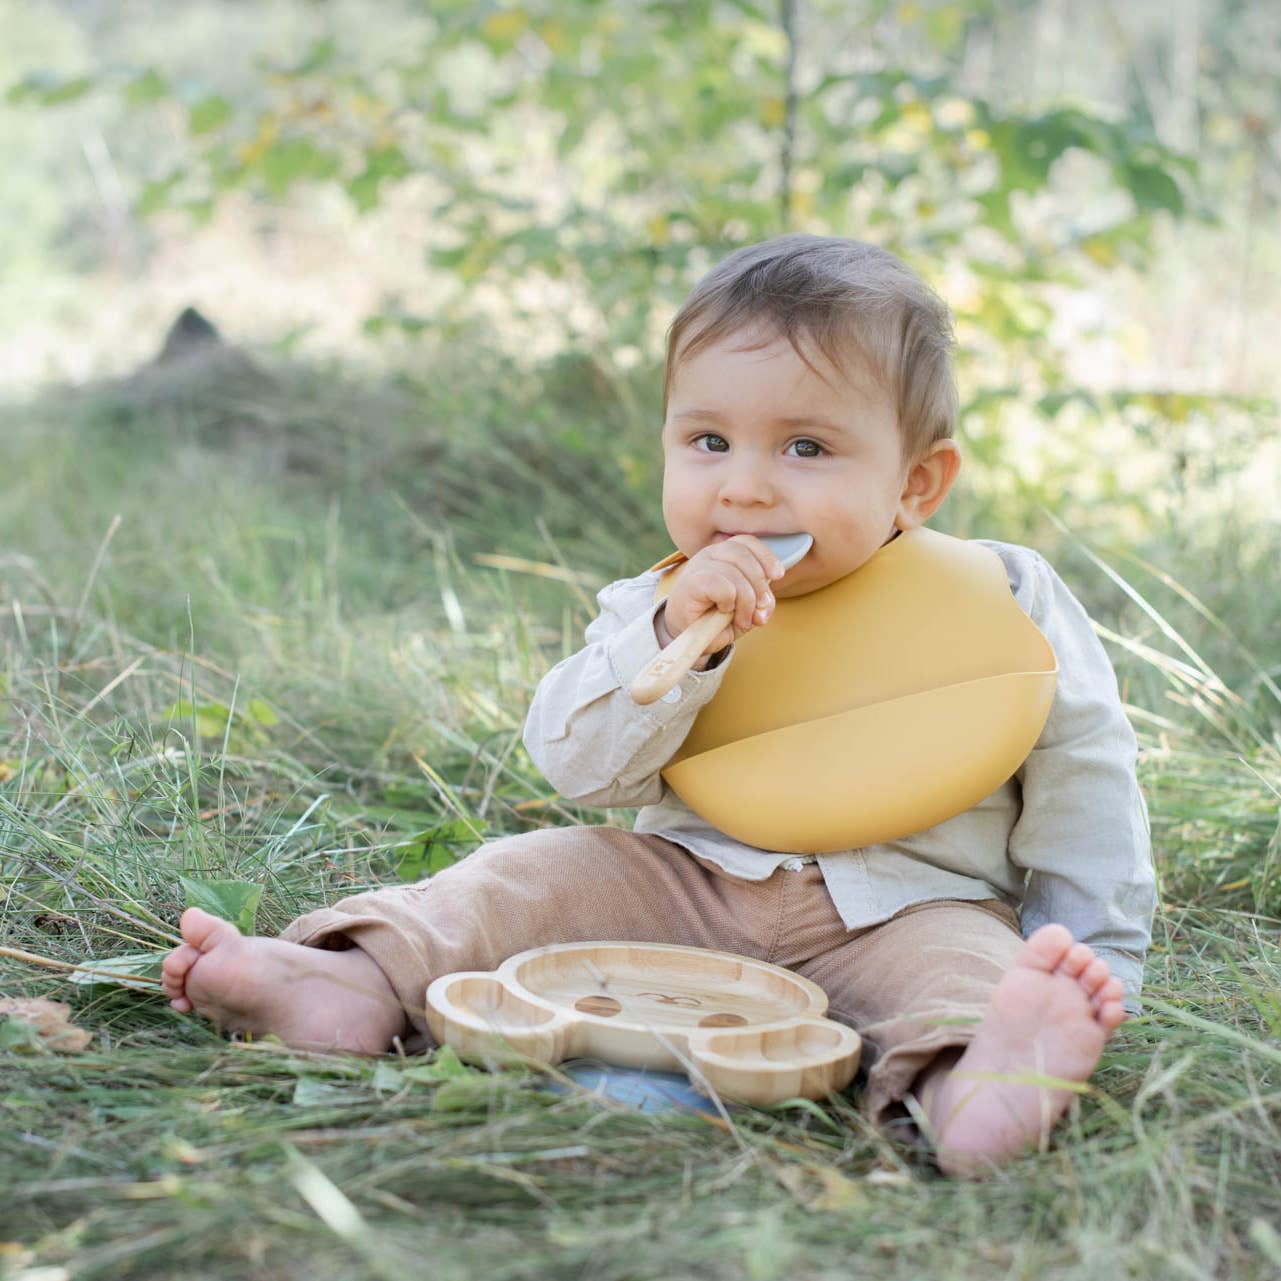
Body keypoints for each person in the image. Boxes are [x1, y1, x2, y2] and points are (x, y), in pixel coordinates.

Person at [162, 234, 1155, 1176]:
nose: (747, 488)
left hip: (906, 910)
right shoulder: (661, 604)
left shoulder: (1002, 601)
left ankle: (981, 1083)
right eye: (710, 440)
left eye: (806, 448)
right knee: (525, 875)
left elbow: (1085, 775)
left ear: (917, 483)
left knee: (965, 973)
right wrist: (679, 646)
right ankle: (350, 980)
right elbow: (578, 767)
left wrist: (1086, 946)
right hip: (685, 880)